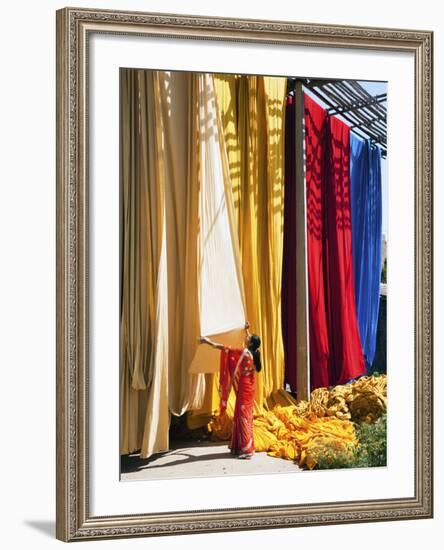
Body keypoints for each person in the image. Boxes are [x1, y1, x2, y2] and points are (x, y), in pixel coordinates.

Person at [198, 322, 261, 459]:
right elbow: (251, 342)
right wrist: (247, 330)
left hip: (244, 388)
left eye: (248, 339)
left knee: (243, 416)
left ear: (250, 343)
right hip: (250, 387)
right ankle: (242, 445)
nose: (246, 338)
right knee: (244, 414)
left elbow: (224, 348)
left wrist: (207, 341)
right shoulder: (255, 353)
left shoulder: (244, 352)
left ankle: (246, 450)